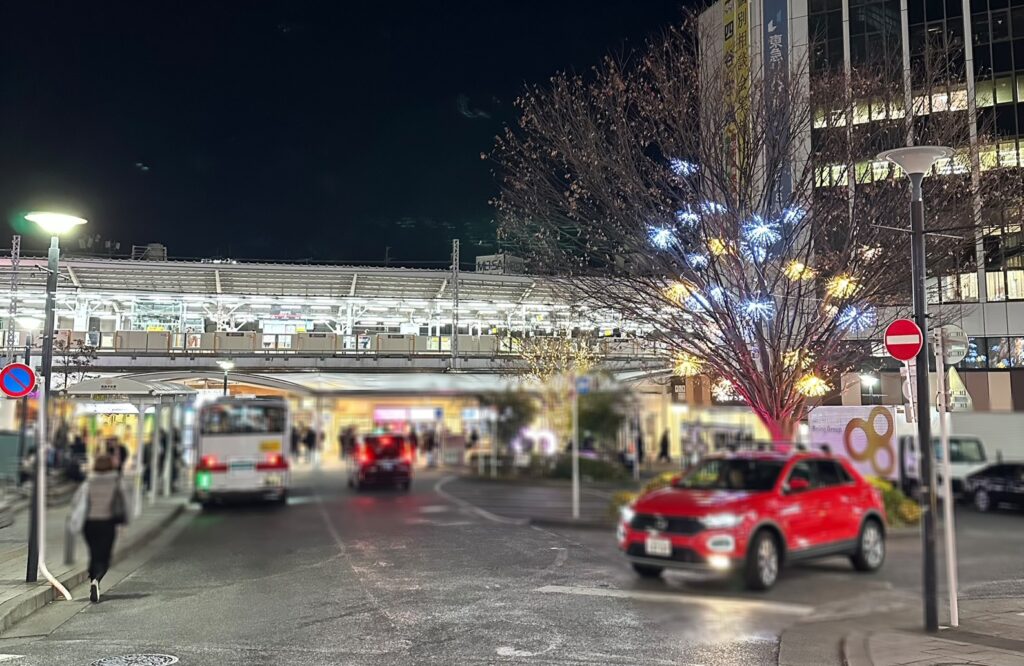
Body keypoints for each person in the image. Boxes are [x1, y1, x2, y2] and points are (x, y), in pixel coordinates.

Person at [68, 455, 130, 603]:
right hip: (107, 523)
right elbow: (123, 503)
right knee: (105, 557)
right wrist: (123, 524)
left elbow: (77, 501)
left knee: (94, 553)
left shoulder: (89, 481)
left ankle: (92, 580)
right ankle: (96, 579)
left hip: (89, 524)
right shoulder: (116, 481)